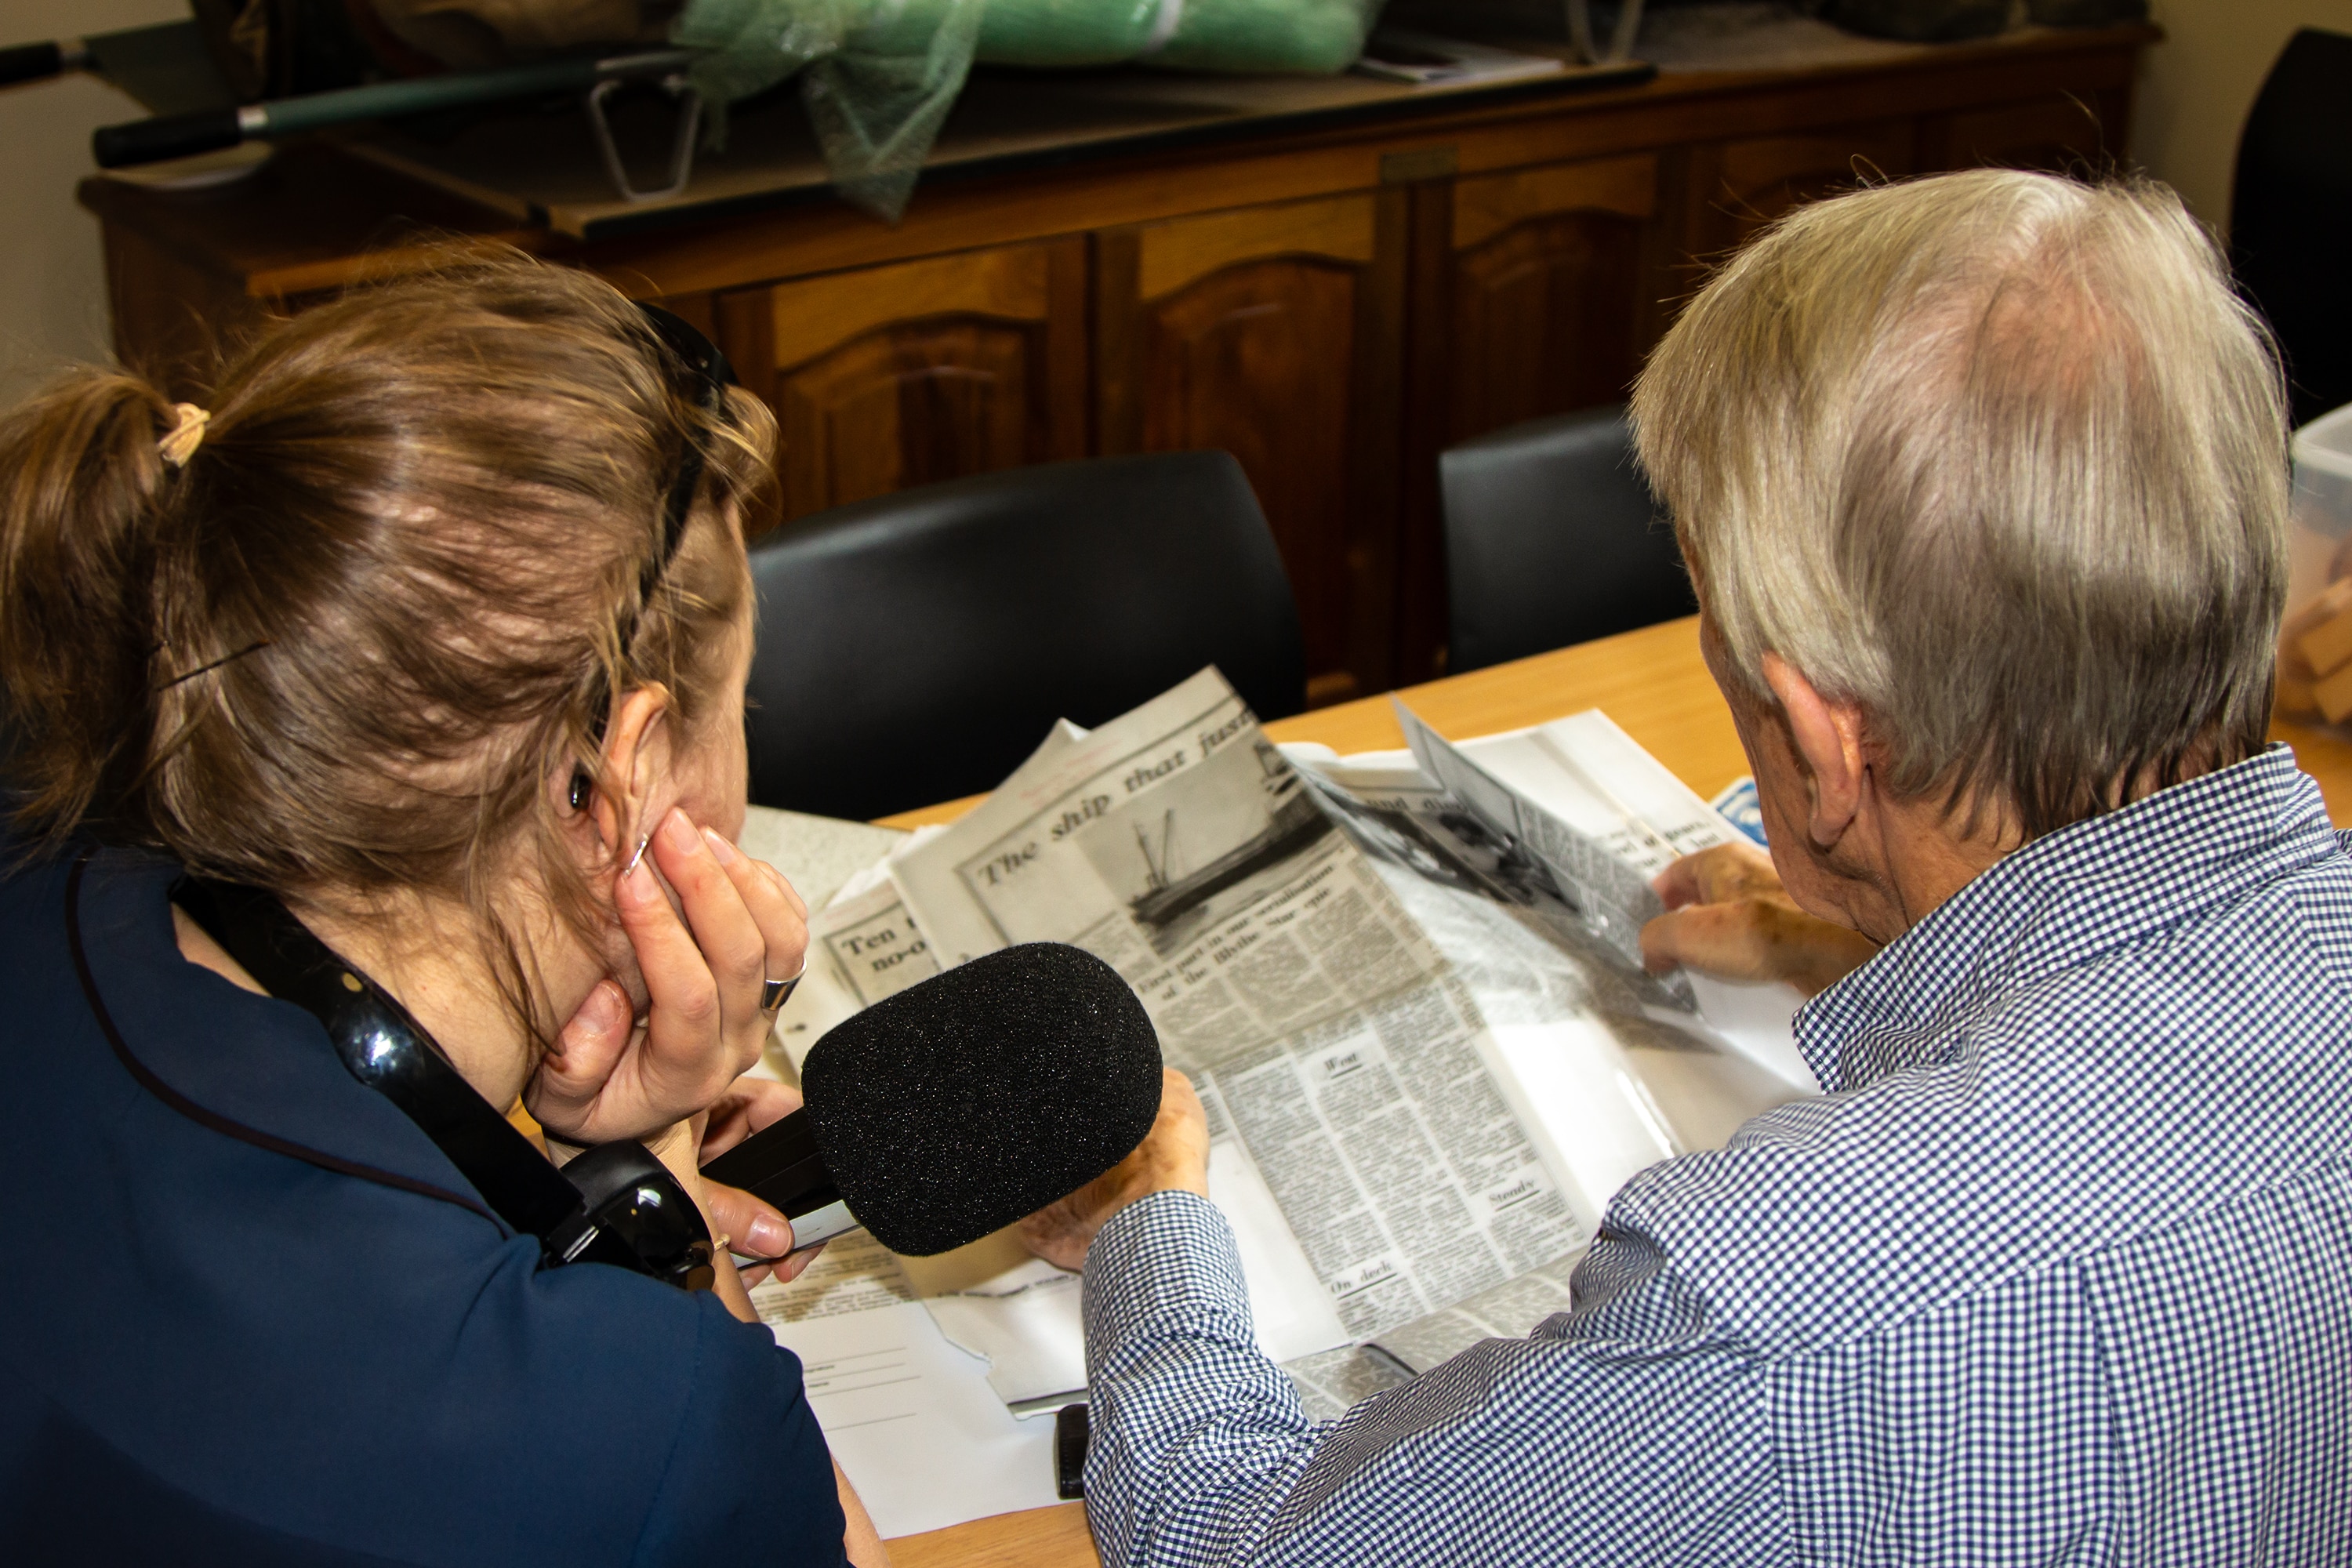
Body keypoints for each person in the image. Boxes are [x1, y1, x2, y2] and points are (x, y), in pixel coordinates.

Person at [1024, 169, 2350, 1562]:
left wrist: (1152, 1222)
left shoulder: (1772, 1300)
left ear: (1837, 752)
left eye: (1726, 658)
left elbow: (1235, 1547)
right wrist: (1877, 931)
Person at [0, 259, 887, 1564]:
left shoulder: (42, 831)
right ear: (618, 780)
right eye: (738, 706)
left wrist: (558, 1136)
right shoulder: (631, 1429)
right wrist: (661, 1229)